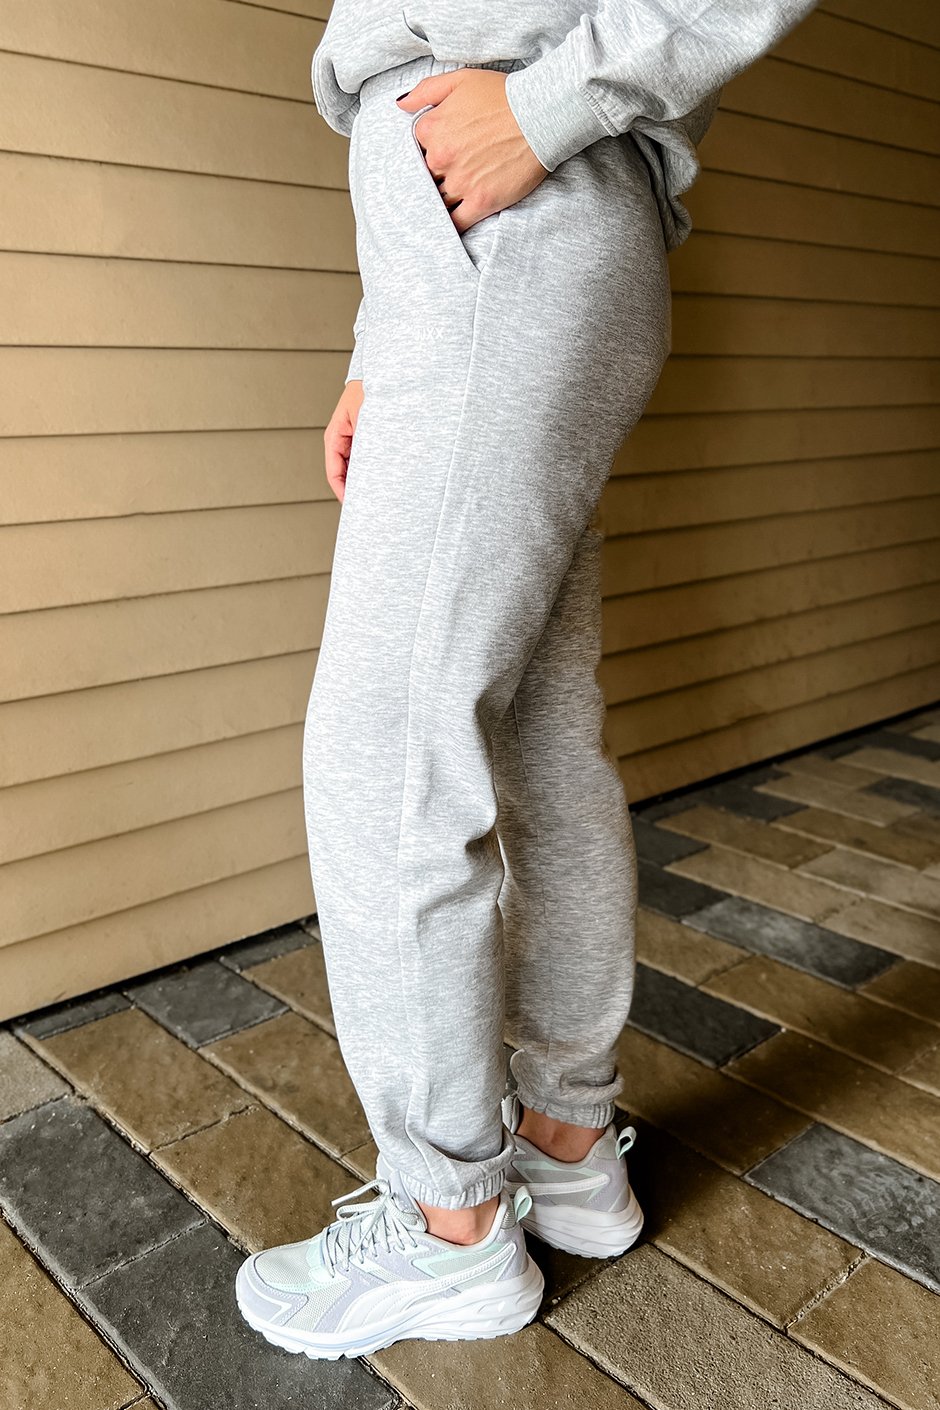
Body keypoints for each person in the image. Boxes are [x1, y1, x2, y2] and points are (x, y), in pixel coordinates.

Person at [236, 0, 818, 1361]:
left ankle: (447, 1228)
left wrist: (554, 107)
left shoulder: (534, 122)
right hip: (508, 244)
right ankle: (566, 1145)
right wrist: (384, 338)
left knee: (388, 752)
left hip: (515, 213)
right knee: (540, 736)